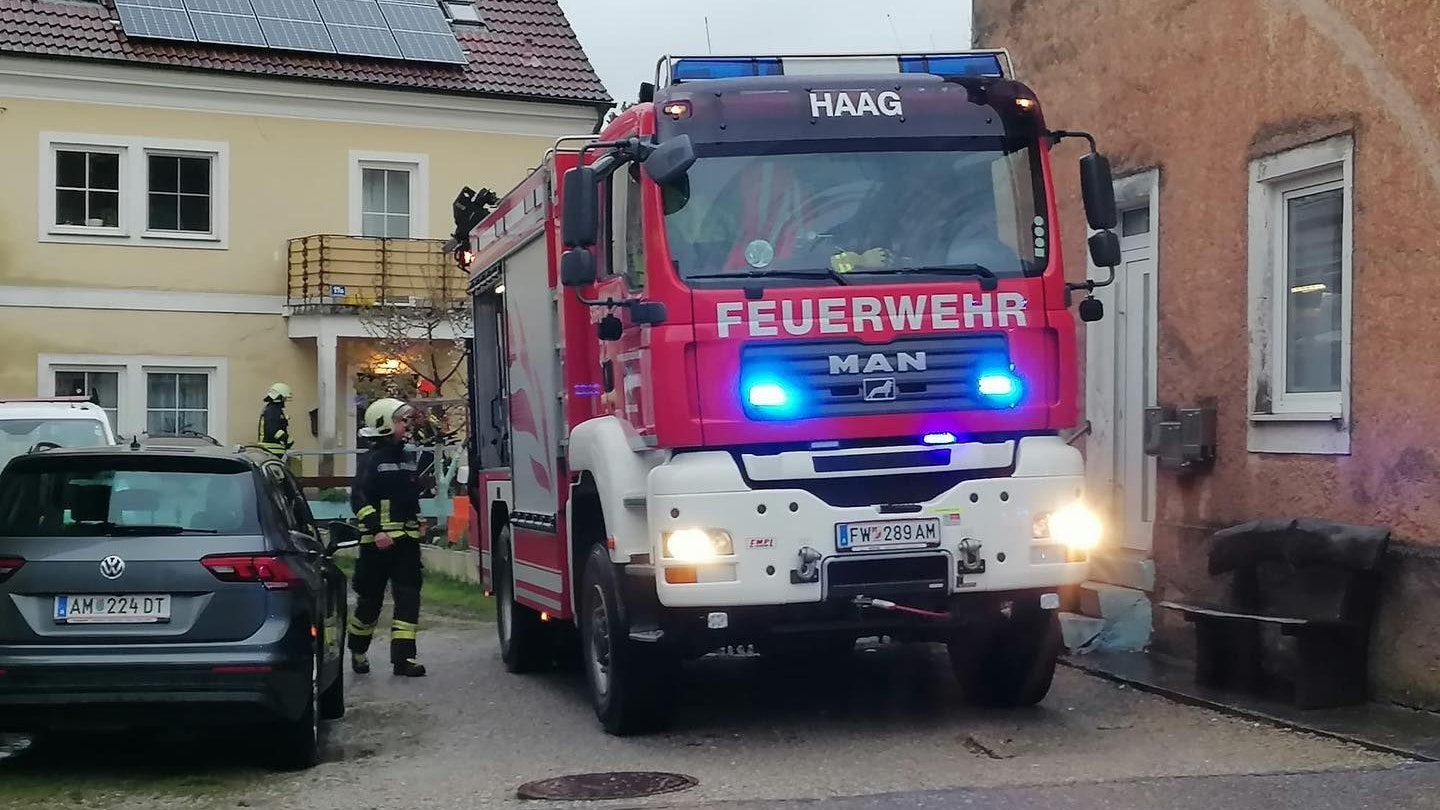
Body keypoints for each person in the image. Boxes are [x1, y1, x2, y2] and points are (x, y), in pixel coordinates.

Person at [346, 397, 428, 678]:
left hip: (406, 542)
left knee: (408, 599)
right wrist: (376, 530)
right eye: (400, 420)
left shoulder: (406, 458)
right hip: (377, 545)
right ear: (383, 424)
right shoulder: (371, 460)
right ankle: (357, 650)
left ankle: (403, 660)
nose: (406, 425)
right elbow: (359, 499)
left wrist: (417, 517)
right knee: (370, 602)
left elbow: (408, 496)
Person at [257, 383, 294, 458]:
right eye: (284, 397)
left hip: (273, 450)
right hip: (272, 450)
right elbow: (272, 429)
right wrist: (286, 438)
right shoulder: (273, 410)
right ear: (279, 396)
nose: (285, 400)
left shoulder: (273, 409)